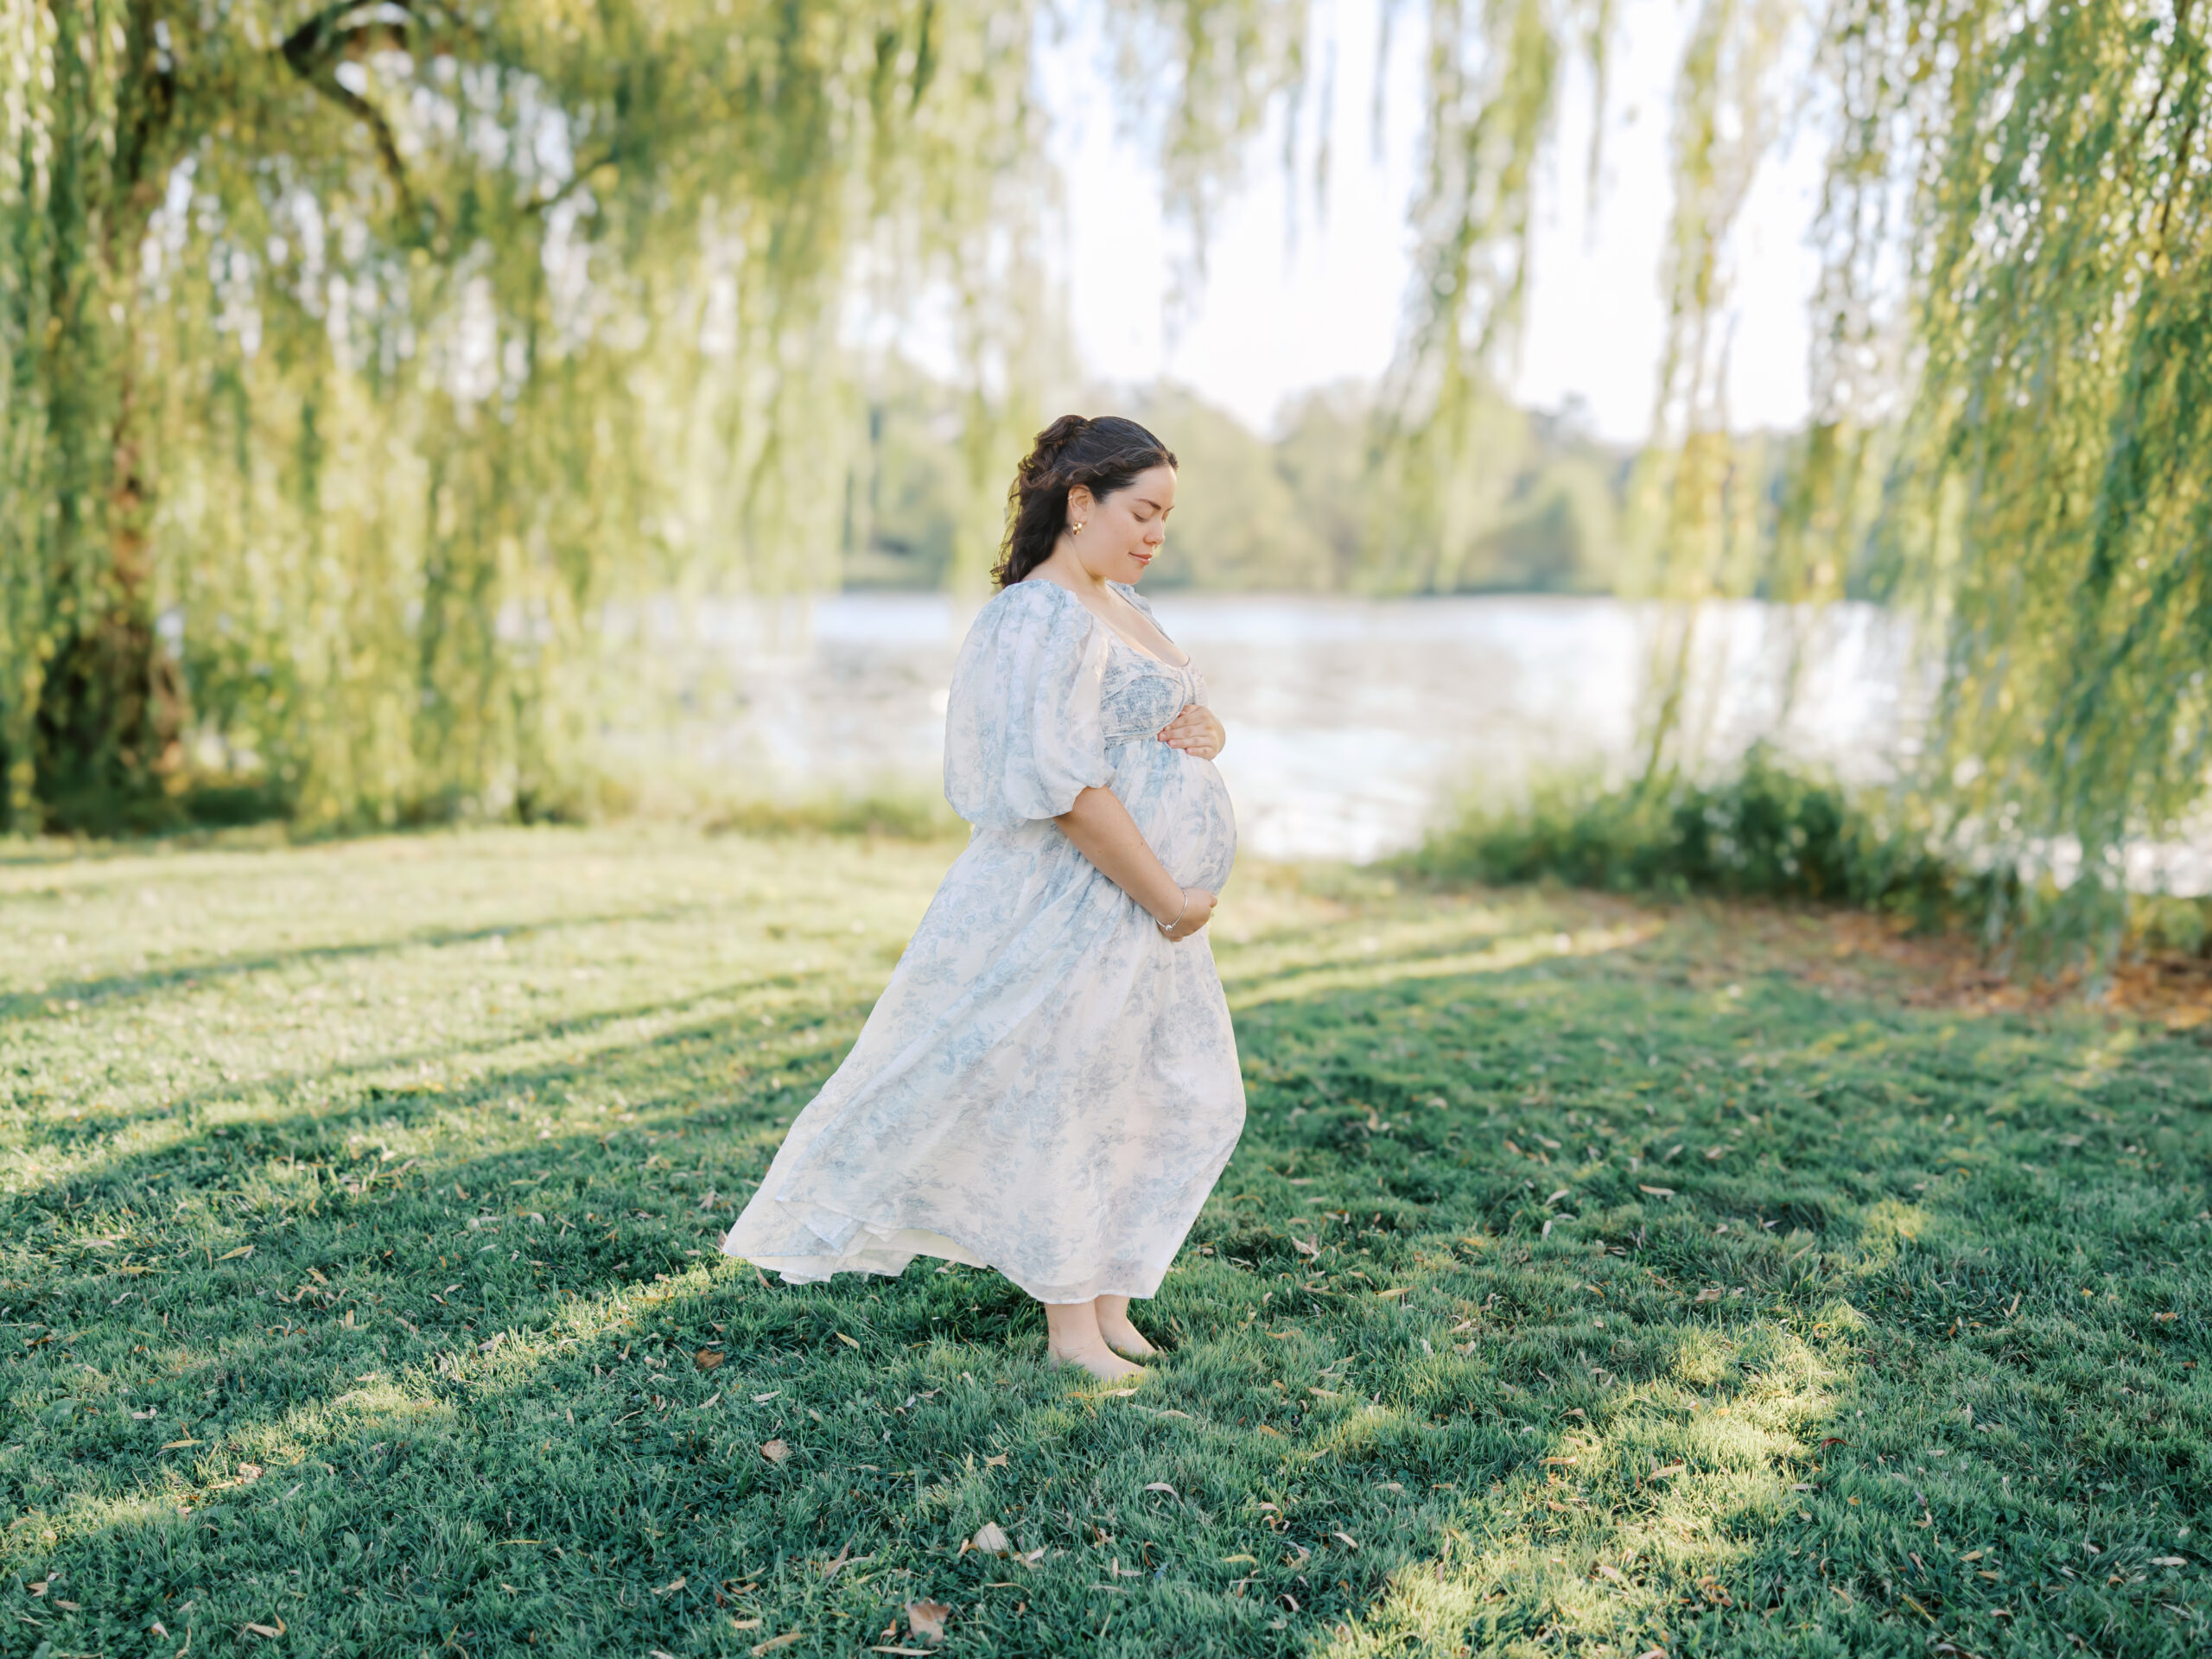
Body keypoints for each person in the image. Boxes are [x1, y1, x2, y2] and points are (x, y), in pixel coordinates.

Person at [720, 415, 1243, 1381]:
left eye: (1167, 517)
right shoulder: (1034, 615)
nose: (1155, 535)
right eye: (1142, 511)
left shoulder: (1118, 600)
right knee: (1069, 1098)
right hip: (1080, 900)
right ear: (1078, 500)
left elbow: (1147, 716)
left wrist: (1201, 726)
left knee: (1170, 1092)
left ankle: (1113, 1305)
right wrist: (1168, 895)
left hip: (1142, 915)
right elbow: (1065, 790)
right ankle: (1072, 1331)